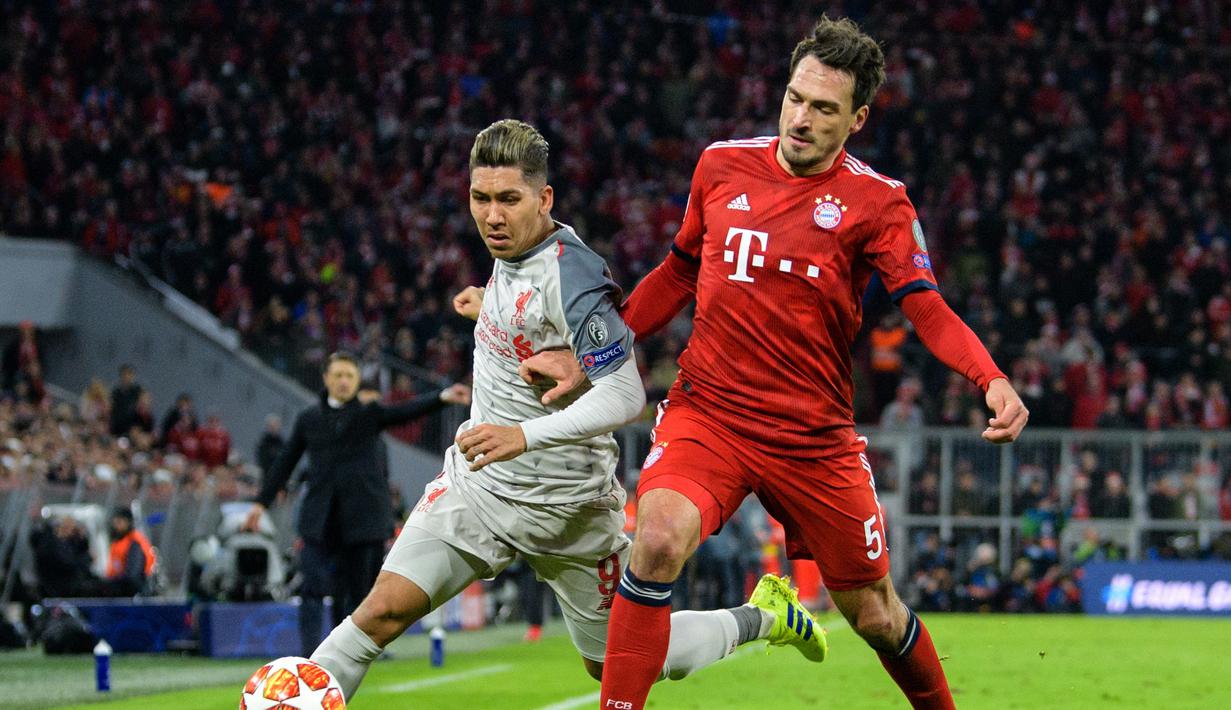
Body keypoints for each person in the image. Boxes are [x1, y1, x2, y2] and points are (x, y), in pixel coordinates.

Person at [518, 16, 1028, 709]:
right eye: (794, 98)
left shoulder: (879, 202)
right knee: (657, 539)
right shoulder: (720, 165)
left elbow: (926, 307)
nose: (801, 118)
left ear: (857, 119)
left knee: (876, 615)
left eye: (824, 108)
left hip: (813, 437)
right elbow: (677, 272)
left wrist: (990, 379)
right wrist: (591, 356)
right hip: (711, 415)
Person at [308, 119, 826, 702]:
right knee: (378, 615)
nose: (492, 216)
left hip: (570, 511)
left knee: (623, 664)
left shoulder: (574, 275)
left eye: (509, 199)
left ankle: (764, 617)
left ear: (544, 198)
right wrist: (489, 305)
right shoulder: (510, 254)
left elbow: (625, 395)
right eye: (480, 198)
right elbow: (529, 311)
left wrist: (522, 436)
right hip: (479, 490)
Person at [243, 351, 471, 656]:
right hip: (319, 519)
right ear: (326, 378)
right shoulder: (309, 418)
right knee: (311, 587)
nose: (344, 381)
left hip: (361, 520)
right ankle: (309, 656)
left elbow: (404, 412)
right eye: (338, 375)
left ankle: (349, 653)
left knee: (355, 592)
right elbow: (286, 461)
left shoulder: (369, 414)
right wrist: (260, 504)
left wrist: (441, 397)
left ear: (357, 381)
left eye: (349, 376)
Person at [104, 507, 156, 596]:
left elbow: (133, 574)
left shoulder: (134, 542)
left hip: (133, 590)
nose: (116, 526)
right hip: (120, 585)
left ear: (128, 522)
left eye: (119, 522)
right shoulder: (118, 541)